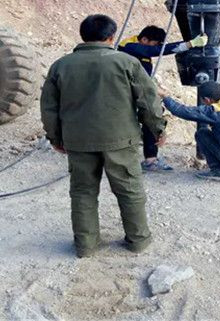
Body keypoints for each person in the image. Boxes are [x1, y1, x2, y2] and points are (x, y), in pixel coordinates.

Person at [41, 14, 166, 258]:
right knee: (129, 190)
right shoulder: (127, 62)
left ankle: (86, 246)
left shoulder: (61, 65)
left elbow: (48, 107)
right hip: (121, 140)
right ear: (111, 37)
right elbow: (148, 100)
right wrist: (158, 129)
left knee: (83, 192)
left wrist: (55, 137)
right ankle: (138, 240)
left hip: (78, 140)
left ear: (83, 36)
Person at [118, 26, 207, 172]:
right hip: (122, 93)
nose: (156, 48)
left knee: (153, 115)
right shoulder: (128, 46)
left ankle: (151, 159)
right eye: (155, 44)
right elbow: (153, 51)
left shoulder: (143, 50)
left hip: (138, 92)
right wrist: (189, 44)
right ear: (144, 39)